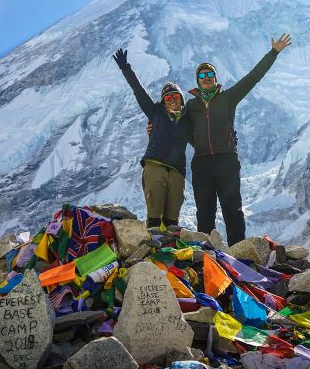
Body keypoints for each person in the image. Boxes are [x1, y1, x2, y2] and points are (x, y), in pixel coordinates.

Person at [186, 33, 292, 246]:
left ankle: (239, 255)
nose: (206, 78)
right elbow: (179, 127)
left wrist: (273, 53)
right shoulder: (191, 106)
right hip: (202, 163)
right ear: (197, 81)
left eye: (209, 74)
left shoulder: (228, 98)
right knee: (204, 212)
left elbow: (253, 78)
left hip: (226, 160)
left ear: (215, 79)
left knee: (232, 208)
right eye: (202, 75)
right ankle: (206, 255)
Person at [113, 48, 191, 228]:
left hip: (177, 171)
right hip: (155, 166)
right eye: (168, 97)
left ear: (181, 99)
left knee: (173, 219)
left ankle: (171, 252)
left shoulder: (188, 120)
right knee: (154, 216)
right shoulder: (155, 112)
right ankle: (152, 252)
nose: (172, 99)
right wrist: (126, 68)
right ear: (163, 101)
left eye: (175, 96)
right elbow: (139, 91)